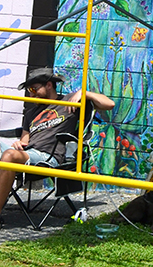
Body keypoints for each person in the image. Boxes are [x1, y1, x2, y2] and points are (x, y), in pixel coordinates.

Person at [0, 67, 115, 227]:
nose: (31, 94)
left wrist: (84, 93)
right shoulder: (31, 114)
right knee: (10, 155)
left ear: (48, 85)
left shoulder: (69, 101)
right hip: (28, 154)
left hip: (48, 157)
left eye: (34, 89)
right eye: (29, 90)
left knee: (9, 157)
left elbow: (109, 104)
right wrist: (19, 143)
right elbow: (24, 141)